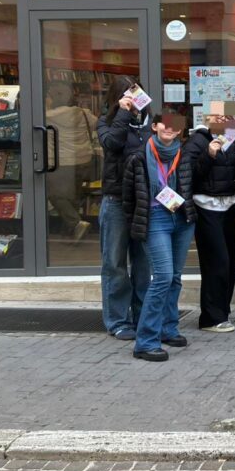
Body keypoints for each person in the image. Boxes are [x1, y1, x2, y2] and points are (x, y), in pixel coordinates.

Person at [122, 108, 197, 361]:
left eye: (175, 125)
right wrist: (136, 225)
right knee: (163, 277)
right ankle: (145, 341)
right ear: (154, 127)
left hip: (181, 219)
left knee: (175, 277)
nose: (169, 128)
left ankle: (168, 328)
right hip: (155, 219)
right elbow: (128, 198)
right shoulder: (138, 157)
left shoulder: (183, 154)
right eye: (164, 124)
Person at [97, 75, 152, 340]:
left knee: (143, 263)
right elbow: (112, 144)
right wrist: (122, 112)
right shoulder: (106, 122)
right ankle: (118, 321)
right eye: (128, 94)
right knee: (115, 263)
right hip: (116, 200)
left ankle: (143, 317)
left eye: (137, 93)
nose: (134, 99)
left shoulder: (150, 124)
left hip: (143, 201)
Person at [184, 110, 235, 333]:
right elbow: (188, 173)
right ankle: (210, 317)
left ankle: (222, 312)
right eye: (218, 117)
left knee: (230, 263)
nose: (222, 121)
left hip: (227, 206)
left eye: (227, 118)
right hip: (206, 208)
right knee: (216, 262)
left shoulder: (231, 142)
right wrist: (208, 154)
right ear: (207, 119)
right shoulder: (197, 141)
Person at [45, 80, 100, 242]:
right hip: (83, 160)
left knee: (53, 194)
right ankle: (70, 233)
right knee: (72, 196)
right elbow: (96, 124)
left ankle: (75, 223)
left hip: (60, 162)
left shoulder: (47, 116)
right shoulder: (83, 113)